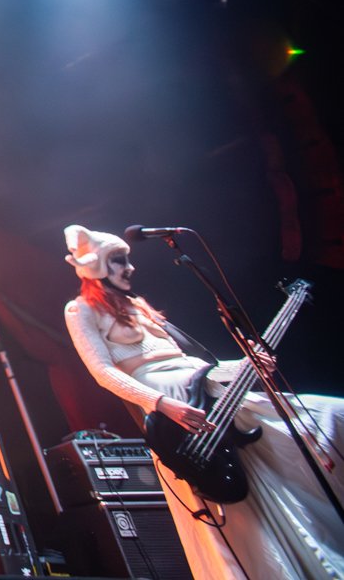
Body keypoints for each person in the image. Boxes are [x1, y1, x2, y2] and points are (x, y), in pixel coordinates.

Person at [62, 224, 344, 578]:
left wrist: (244, 365)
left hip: (207, 390)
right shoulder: (80, 310)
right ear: (98, 266)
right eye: (119, 261)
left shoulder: (138, 306)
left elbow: (198, 366)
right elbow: (102, 371)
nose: (130, 268)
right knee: (239, 509)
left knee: (323, 418)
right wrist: (162, 404)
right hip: (176, 414)